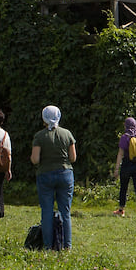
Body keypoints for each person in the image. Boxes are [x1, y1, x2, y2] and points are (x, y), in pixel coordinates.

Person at [31, 105, 76, 252]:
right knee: (65, 211)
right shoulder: (67, 134)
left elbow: (35, 159)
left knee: (47, 211)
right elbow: (73, 158)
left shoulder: (40, 136)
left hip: (45, 174)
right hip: (65, 174)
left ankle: (48, 246)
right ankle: (67, 246)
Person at [112, 116, 136, 218]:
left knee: (124, 188)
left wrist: (117, 169)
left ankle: (121, 210)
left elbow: (120, 154)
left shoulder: (124, 137)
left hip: (127, 165)